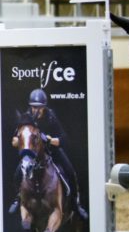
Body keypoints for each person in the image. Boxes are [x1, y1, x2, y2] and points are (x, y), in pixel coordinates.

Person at [9, 88, 89, 220]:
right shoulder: (25, 118)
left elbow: (64, 139)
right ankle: (17, 199)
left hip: (52, 151)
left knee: (70, 170)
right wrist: (19, 141)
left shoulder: (51, 117)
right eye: (34, 107)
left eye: (39, 108)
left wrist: (51, 140)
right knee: (18, 172)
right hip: (33, 154)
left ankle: (75, 203)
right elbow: (14, 140)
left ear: (44, 107)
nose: (36, 111)